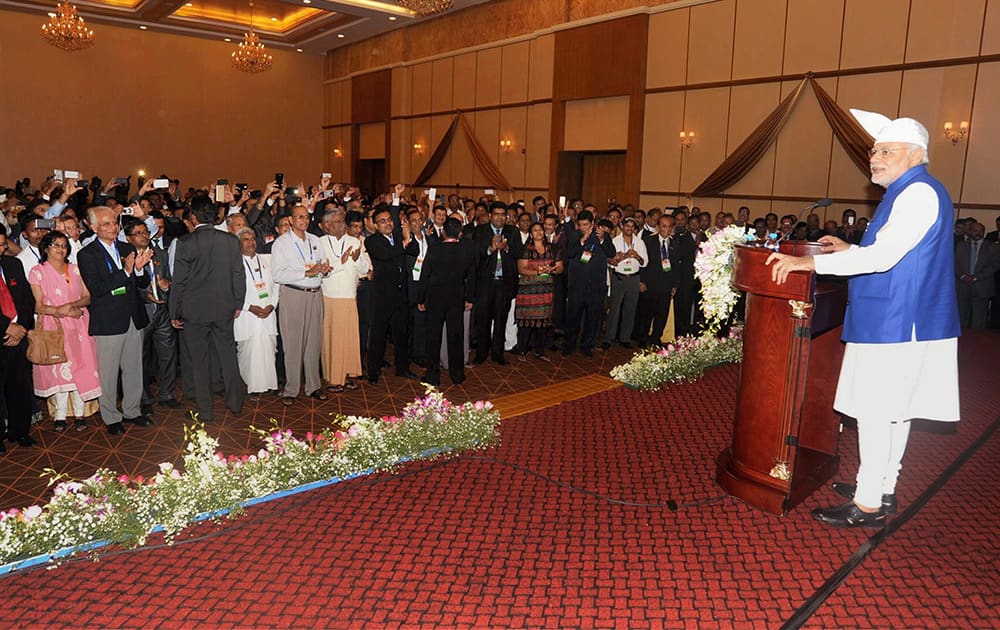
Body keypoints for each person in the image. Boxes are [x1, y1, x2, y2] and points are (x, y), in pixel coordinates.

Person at [767, 110, 960, 529]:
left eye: (886, 151)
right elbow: (891, 250)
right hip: (898, 317)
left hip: (896, 322)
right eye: (874, 151)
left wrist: (808, 266)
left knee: (877, 410)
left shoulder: (917, 193)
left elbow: (885, 257)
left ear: (915, 155)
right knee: (894, 411)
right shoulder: (913, 190)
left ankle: (869, 503)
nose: (875, 158)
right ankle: (881, 487)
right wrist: (845, 251)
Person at [78, 206, 154, 435]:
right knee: (109, 373)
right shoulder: (87, 254)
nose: (113, 228)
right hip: (108, 320)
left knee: (133, 368)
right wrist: (127, 272)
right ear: (93, 227)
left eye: (114, 223)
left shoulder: (126, 247)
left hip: (132, 315)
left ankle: (132, 410)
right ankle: (111, 416)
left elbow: (141, 284)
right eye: (106, 224)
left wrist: (139, 270)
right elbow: (98, 288)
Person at [169, 195, 246, 421]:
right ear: (214, 216)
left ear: (193, 217)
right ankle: (235, 403)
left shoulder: (186, 243)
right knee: (228, 356)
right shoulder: (231, 241)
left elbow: (179, 281)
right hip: (224, 307)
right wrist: (238, 302)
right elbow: (238, 275)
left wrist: (175, 312)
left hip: (195, 310)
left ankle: (205, 411)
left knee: (199, 362)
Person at [27, 231, 101, 432]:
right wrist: (59, 311)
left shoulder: (76, 269)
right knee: (58, 370)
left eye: (64, 245)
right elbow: (37, 305)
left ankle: (79, 413)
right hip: (54, 327)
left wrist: (70, 306)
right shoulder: (38, 272)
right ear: (46, 248)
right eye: (56, 245)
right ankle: (59, 415)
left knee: (82, 367)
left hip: (79, 324)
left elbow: (87, 297)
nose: (61, 249)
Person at [270, 204, 331, 403]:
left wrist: (324, 269)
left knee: (314, 342)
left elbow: (321, 264)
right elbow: (278, 275)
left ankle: (313, 386)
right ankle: (291, 389)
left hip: (315, 294)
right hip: (294, 294)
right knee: (293, 344)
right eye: (299, 217)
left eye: (306, 217)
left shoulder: (315, 240)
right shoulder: (281, 243)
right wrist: (306, 272)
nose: (304, 220)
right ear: (291, 220)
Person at [418, 217, 476, 386]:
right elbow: (472, 276)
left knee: (433, 337)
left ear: (442, 231)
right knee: (456, 336)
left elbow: (425, 275)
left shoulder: (435, 248)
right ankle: (457, 374)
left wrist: (421, 298)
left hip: (435, 296)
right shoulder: (466, 249)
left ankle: (433, 376)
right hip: (456, 296)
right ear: (460, 232)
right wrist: (470, 298)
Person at [365, 203, 417, 384]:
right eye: (382, 221)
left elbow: (414, 250)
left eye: (389, 220)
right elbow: (386, 255)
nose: (387, 224)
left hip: (401, 293)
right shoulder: (372, 241)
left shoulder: (398, 235)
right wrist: (404, 241)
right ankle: (373, 372)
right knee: (378, 335)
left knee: (402, 334)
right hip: (383, 295)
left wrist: (408, 236)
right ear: (376, 225)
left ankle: (402, 368)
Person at [317, 210, 367, 393]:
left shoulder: (355, 241)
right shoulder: (320, 243)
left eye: (342, 222)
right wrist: (342, 261)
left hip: (349, 295)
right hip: (330, 296)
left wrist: (357, 259)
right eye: (336, 222)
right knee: (333, 339)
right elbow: (323, 270)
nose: (342, 225)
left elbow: (365, 268)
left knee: (348, 338)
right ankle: (333, 378)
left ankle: (345, 375)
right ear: (327, 225)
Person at [0, 229, 36, 451]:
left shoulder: (13, 265)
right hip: (2, 335)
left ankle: (20, 431)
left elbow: (26, 299)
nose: (1, 248)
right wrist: (6, 327)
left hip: (19, 336)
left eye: (3, 244)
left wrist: (21, 327)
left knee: (20, 387)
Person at [562, 210, 616, 357]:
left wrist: (603, 240)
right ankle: (569, 345)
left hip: (596, 286)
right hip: (577, 285)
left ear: (592, 223)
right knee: (573, 317)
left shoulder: (601, 235)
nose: (583, 228)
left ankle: (586, 345)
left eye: (586, 224)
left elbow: (611, 253)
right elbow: (570, 253)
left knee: (593, 318)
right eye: (581, 225)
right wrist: (582, 241)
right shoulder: (574, 235)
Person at [473, 202, 521, 365]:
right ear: (490, 215)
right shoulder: (481, 230)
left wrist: (506, 248)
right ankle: (481, 353)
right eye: (497, 214)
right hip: (485, 283)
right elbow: (475, 255)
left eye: (503, 214)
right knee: (483, 320)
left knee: (501, 319)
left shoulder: (513, 231)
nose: (500, 217)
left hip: (504, 283)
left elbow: (519, 253)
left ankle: (498, 354)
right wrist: (490, 249)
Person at [233, 228, 279, 396]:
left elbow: (277, 285)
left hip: (268, 312)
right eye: (246, 239)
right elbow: (231, 290)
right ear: (238, 243)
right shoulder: (233, 263)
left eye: (253, 238)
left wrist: (272, 305)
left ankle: (270, 383)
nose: (251, 242)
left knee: (268, 347)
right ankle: (253, 386)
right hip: (246, 314)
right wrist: (249, 307)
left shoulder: (268, 259)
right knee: (249, 351)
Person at [515, 222, 563, 361]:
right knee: (526, 321)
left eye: (540, 230)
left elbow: (560, 267)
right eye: (535, 230)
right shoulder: (526, 249)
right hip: (528, 290)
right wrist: (537, 271)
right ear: (531, 234)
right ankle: (522, 351)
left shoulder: (553, 248)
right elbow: (521, 269)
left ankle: (540, 351)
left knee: (543, 322)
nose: (538, 233)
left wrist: (552, 270)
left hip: (546, 290)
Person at [604, 217, 647, 349]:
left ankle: (625, 338)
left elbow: (644, 263)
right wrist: (619, 258)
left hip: (634, 278)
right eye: (627, 226)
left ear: (634, 228)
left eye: (632, 226)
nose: (629, 228)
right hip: (619, 278)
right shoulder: (614, 241)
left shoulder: (640, 243)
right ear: (622, 226)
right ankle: (609, 338)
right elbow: (610, 262)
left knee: (630, 309)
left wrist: (636, 255)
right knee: (614, 310)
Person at [635, 214, 677, 346]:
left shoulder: (675, 243)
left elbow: (677, 266)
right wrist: (641, 281)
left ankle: (655, 338)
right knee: (646, 314)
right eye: (664, 226)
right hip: (649, 283)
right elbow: (642, 263)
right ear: (658, 227)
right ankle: (642, 338)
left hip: (666, 285)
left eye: (669, 226)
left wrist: (675, 284)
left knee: (661, 315)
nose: (667, 229)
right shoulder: (648, 241)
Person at [954, 221, 1000, 329]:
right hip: (962, 285)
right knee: (961, 316)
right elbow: (954, 263)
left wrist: (976, 277)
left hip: (982, 285)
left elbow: (995, 265)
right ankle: (961, 341)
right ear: (969, 231)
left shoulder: (993, 247)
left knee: (979, 319)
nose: (978, 233)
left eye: (981, 231)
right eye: (975, 231)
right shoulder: (961, 246)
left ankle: (977, 341)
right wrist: (962, 276)